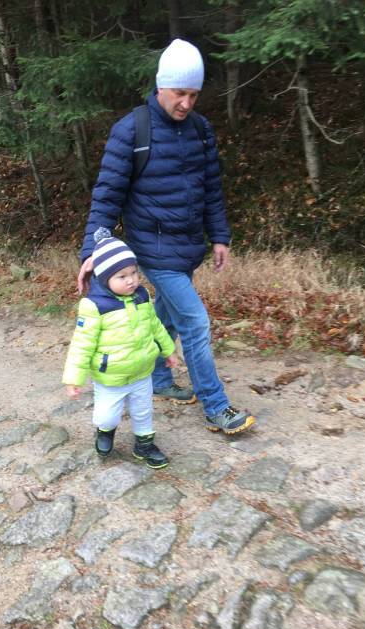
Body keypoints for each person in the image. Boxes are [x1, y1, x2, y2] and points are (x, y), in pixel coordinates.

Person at [78, 38, 255, 435]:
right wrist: (92, 249)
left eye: (194, 95)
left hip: (188, 245)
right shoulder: (131, 130)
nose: (187, 103)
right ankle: (216, 406)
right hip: (152, 247)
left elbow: (211, 188)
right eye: (179, 93)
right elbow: (107, 195)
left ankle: (158, 379)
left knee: (167, 316)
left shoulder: (201, 130)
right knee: (194, 321)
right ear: (161, 86)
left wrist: (219, 236)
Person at [63, 228, 178, 468]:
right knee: (107, 416)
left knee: (143, 411)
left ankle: (144, 445)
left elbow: (156, 326)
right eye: (122, 276)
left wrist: (168, 350)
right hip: (110, 377)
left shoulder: (141, 296)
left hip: (142, 372)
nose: (131, 280)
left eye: (134, 272)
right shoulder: (94, 306)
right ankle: (105, 431)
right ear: (104, 278)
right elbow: (82, 345)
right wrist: (74, 378)